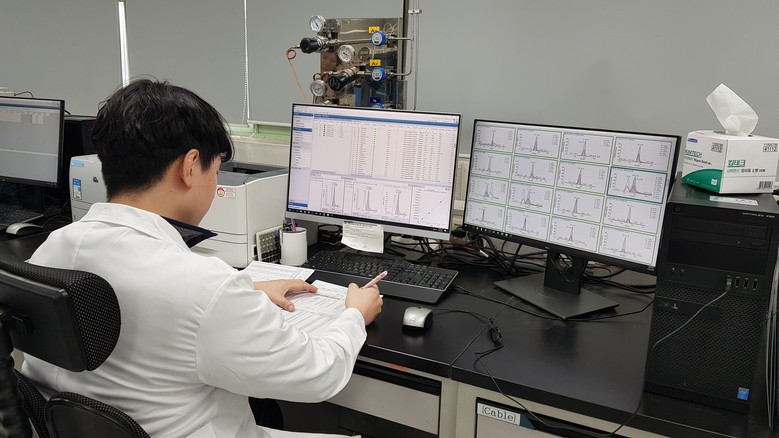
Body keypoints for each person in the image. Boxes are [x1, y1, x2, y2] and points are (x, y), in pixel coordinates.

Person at [22, 79, 383, 437]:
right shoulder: (203, 286)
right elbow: (318, 374)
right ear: (191, 166)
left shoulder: (53, 248)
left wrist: (246, 291)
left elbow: (134, 298)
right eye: (216, 170)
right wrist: (355, 314)